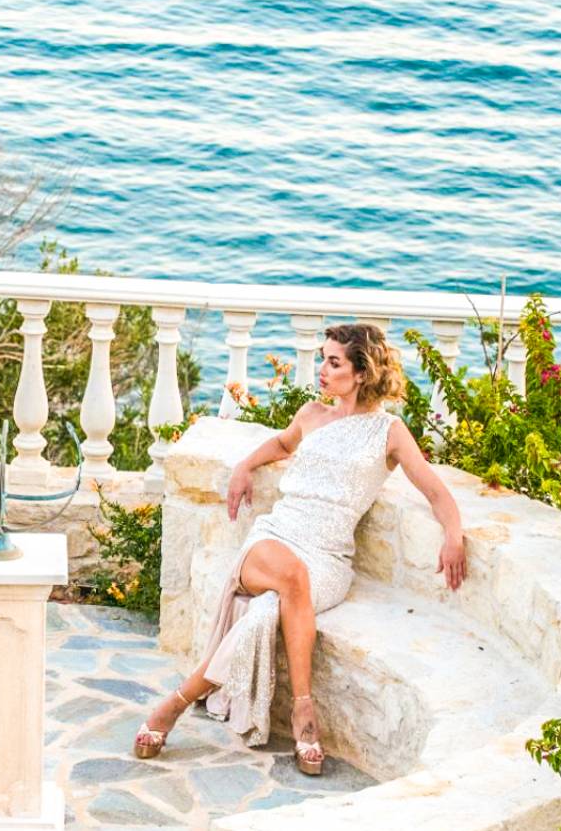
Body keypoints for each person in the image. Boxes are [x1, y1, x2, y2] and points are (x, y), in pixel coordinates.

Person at [133, 322, 467, 775]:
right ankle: (304, 713)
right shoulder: (312, 414)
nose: (322, 370)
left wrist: (452, 534)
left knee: (264, 614)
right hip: (275, 538)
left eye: (334, 362)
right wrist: (245, 466)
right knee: (290, 576)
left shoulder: (389, 432)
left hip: (329, 558)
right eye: (323, 359)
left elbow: (434, 490)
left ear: (362, 372)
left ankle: (175, 703)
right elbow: (281, 443)